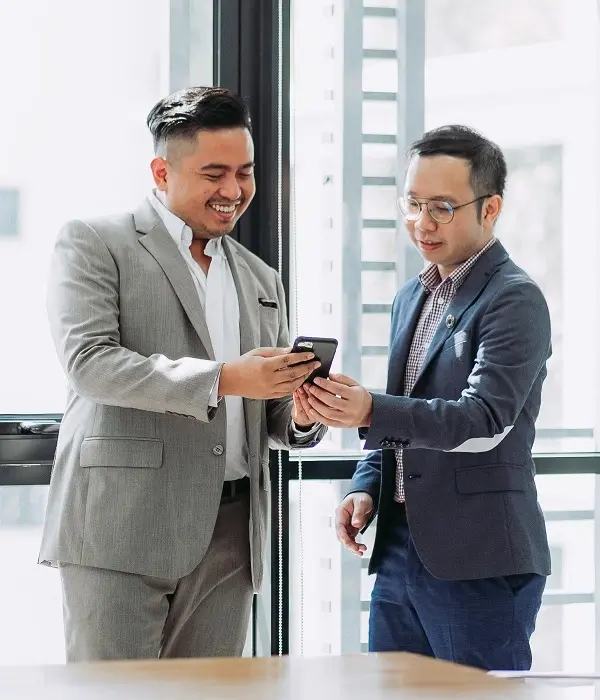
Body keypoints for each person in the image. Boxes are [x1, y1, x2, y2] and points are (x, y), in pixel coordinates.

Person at [40, 86, 326, 662]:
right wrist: (223, 378)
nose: (234, 191)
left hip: (233, 535)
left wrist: (299, 411)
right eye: (214, 173)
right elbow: (90, 364)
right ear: (161, 171)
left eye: (244, 172)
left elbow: (265, 413)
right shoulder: (96, 243)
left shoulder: (261, 278)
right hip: (122, 525)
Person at [295, 125, 551, 671]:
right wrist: (367, 485)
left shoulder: (514, 300)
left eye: (441, 206)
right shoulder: (413, 294)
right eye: (412, 204)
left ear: (491, 208)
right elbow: (405, 407)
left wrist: (369, 409)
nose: (421, 223)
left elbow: (483, 420)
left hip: (476, 558)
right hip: (398, 550)